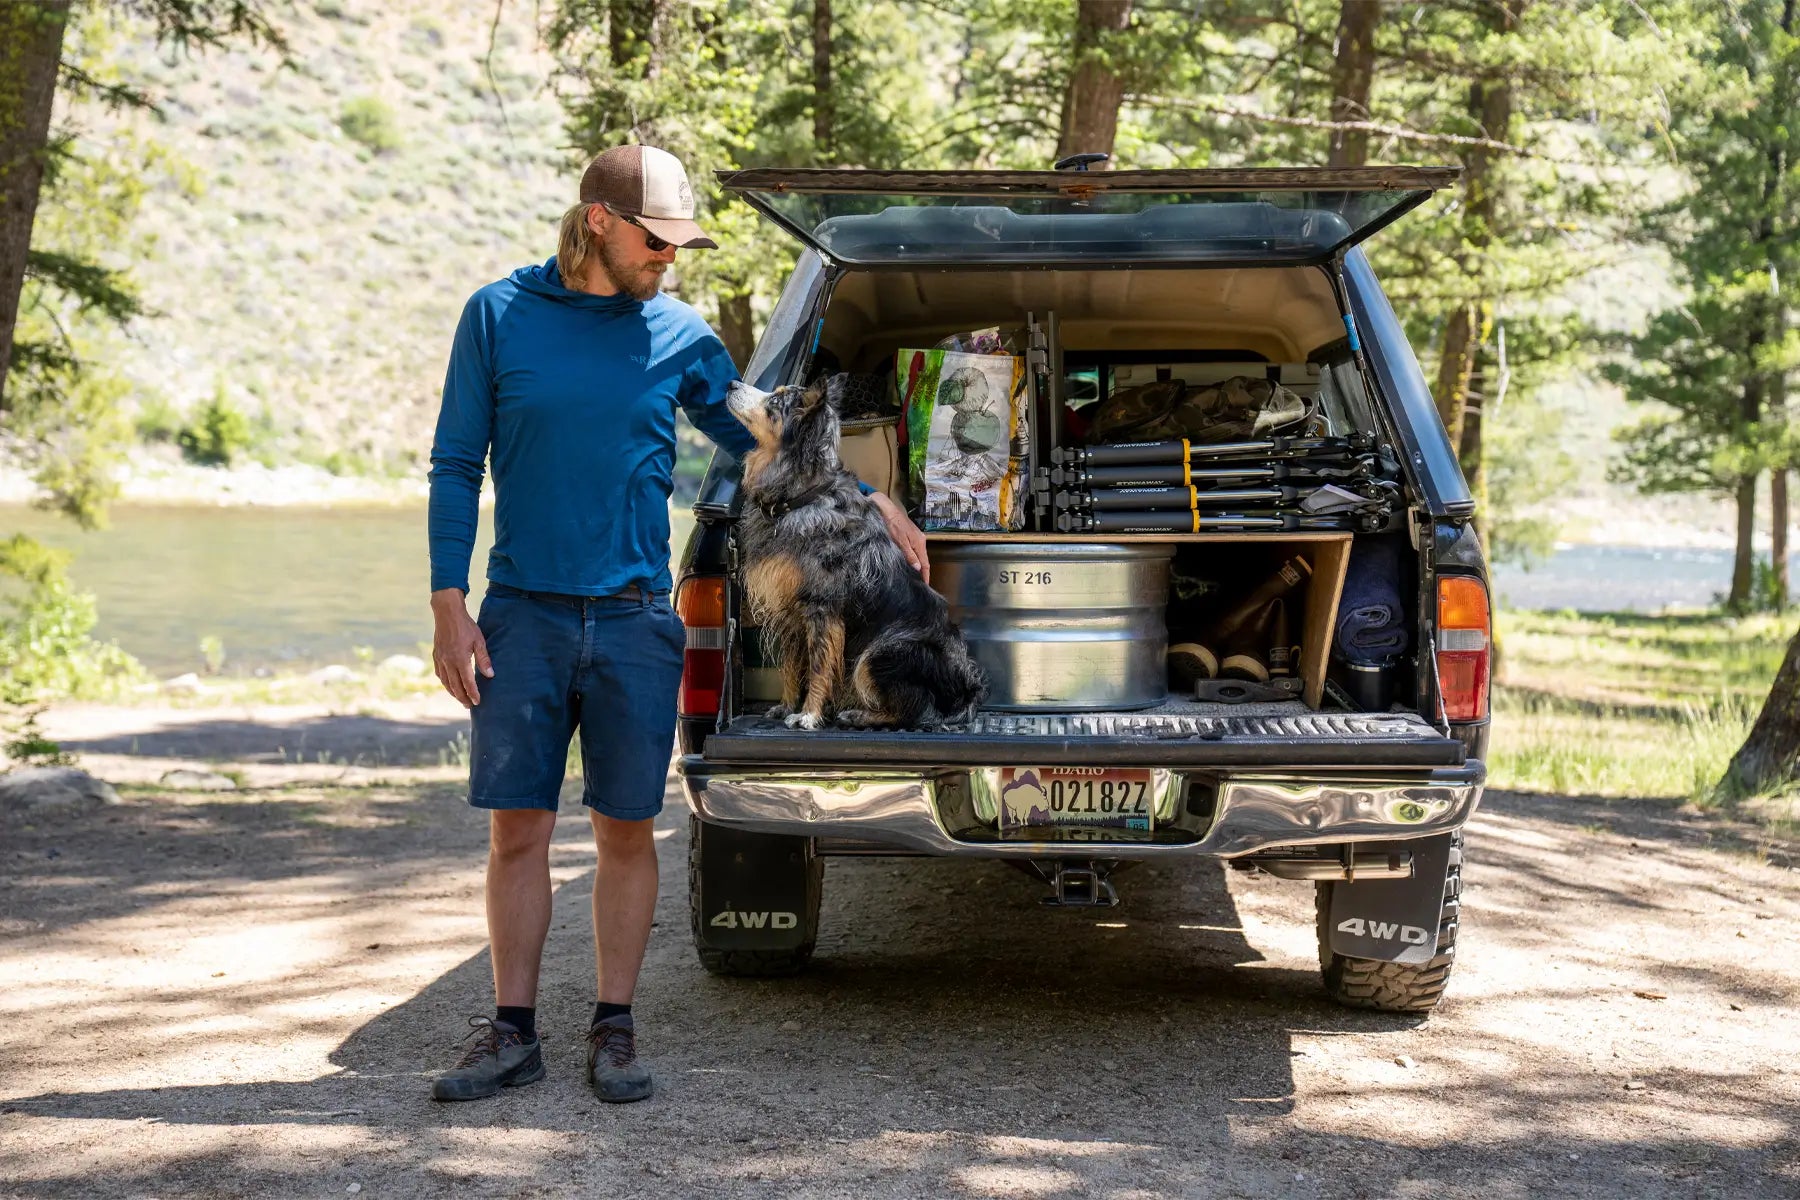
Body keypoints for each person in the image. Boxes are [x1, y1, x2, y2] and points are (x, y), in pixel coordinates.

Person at [424, 144, 926, 1104]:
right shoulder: (497, 316)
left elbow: (763, 445)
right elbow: (455, 466)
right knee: (517, 833)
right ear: (600, 223)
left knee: (625, 833)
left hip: (633, 621)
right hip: (521, 616)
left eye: (678, 246)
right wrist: (450, 605)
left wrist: (873, 501)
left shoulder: (682, 335)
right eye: (657, 242)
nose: (670, 260)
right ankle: (512, 1032)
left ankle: (614, 1029)